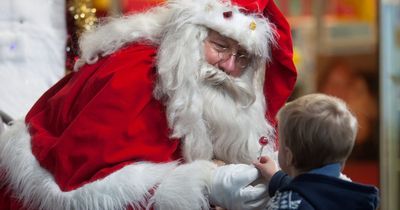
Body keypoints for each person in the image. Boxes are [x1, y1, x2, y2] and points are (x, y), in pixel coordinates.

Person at [0, 0, 297, 209]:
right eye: (220, 47)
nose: (229, 66)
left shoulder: (225, 91)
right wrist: (202, 185)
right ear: (190, 36)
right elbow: (87, 191)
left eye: (242, 57)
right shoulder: (135, 76)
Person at [254, 94, 379, 210]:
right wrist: (276, 177)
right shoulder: (354, 199)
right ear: (343, 160)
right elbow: (314, 190)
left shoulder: (284, 204)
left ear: (289, 156)